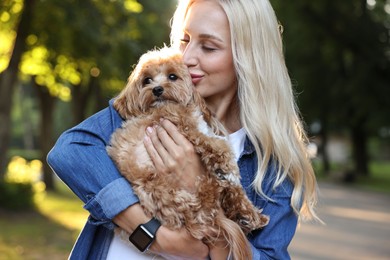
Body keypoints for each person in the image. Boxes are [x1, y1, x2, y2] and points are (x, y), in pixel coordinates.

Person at [47, 0, 320, 259]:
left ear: (249, 59)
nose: (187, 57)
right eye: (185, 40)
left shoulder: (271, 168)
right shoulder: (145, 108)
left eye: (209, 47)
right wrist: (155, 236)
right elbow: (68, 152)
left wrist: (199, 189)